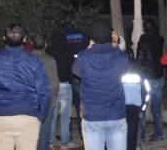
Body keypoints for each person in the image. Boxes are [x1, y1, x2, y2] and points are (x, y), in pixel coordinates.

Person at [0, 24, 51, 150]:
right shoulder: (35, 61)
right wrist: (41, 114)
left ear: (4, 38)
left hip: (1, 117)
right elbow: (44, 91)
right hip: (28, 117)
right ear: (24, 40)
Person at [72, 19, 130, 150]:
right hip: (116, 115)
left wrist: (89, 46)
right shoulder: (121, 57)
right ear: (110, 36)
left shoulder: (84, 57)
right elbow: (124, 64)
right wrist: (115, 44)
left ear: (91, 37)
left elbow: (75, 70)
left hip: (92, 116)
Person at [49, 15, 87, 146]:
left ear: (63, 21)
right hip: (78, 74)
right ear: (74, 22)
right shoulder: (82, 34)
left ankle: (66, 134)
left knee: (60, 112)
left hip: (64, 76)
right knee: (79, 106)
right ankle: (81, 135)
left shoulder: (61, 35)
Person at [135, 18, 165, 142]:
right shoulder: (160, 39)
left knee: (142, 106)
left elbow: (140, 58)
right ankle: (158, 134)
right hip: (158, 75)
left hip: (146, 77)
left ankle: (141, 136)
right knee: (156, 108)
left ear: (144, 28)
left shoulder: (143, 40)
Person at [31, 34, 60, 150]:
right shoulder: (49, 60)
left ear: (32, 44)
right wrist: (53, 99)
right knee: (44, 133)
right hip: (46, 100)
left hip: (30, 101)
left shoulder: (26, 58)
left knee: (31, 134)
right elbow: (54, 83)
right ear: (45, 45)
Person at [121, 56, 150, 150]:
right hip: (134, 106)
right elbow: (147, 91)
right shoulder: (139, 71)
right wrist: (143, 108)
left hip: (119, 105)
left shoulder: (116, 68)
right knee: (132, 132)